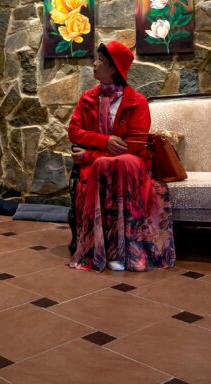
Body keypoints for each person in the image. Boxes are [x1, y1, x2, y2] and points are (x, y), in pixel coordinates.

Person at [68, 41, 176, 272]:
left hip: (128, 165)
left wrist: (88, 156)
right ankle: (104, 249)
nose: (94, 64)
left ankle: (126, 250)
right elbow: (74, 131)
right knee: (107, 166)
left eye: (100, 60)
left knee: (123, 163)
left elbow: (133, 148)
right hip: (100, 166)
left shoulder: (137, 102)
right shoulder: (87, 98)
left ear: (114, 68)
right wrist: (104, 141)